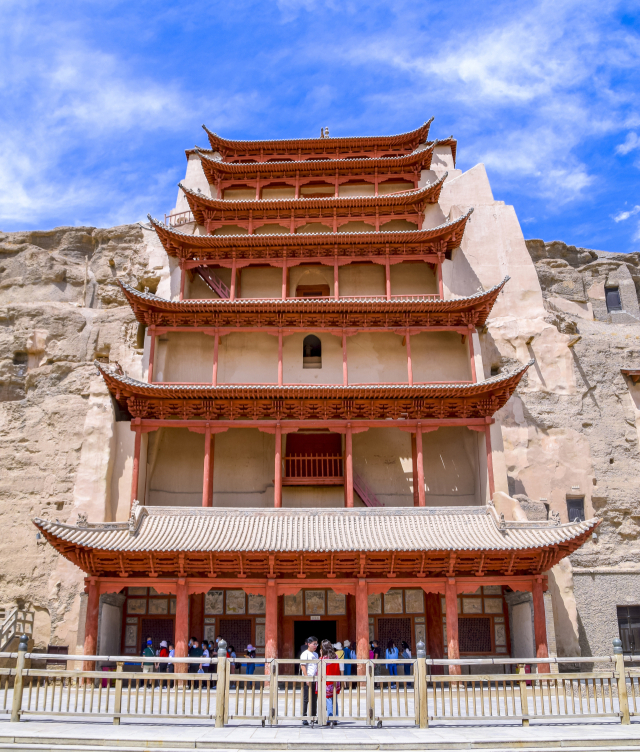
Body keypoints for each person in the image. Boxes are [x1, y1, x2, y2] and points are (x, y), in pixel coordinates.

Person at [321, 640, 341, 724]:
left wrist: (321, 655)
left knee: (328, 700)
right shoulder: (335, 656)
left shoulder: (324, 658)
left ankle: (329, 717)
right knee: (335, 699)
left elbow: (320, 668)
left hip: (327, 682)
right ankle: (335, 718)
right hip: (335, 680)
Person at [300, 636, 318, 725]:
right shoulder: (305, 654)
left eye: (316, 644)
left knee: (314, 699)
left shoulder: (316, 654)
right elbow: (303, 666)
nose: (315, 646)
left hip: (315, 679)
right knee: (306, 699)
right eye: (314, 644)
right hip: (307, 679)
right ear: (308, 644)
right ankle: (304, 717)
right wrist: (306, 677)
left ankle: (314, 716)